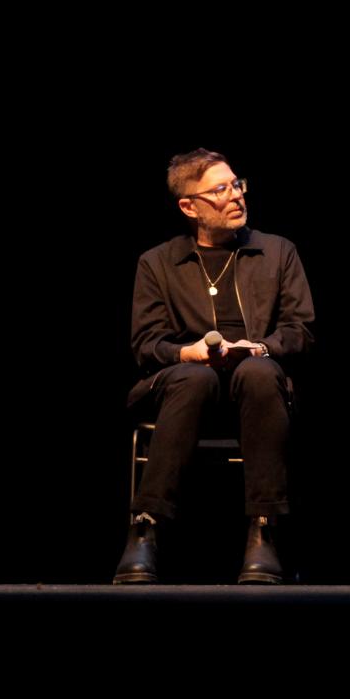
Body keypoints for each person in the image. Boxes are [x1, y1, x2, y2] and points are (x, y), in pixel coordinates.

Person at [114, 148, 316, 585]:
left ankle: (265, 531)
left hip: (258, 387)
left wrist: (258, 348)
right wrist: (187, 352)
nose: (236, 196)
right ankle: (145, 528)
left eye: (237, 184)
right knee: (195, 376)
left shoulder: (277, 252)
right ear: (189, 206)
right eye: (220, 189)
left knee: (257, 373)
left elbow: (300, 331)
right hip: (184, 386)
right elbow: (146, 343)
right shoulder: (158, 263)